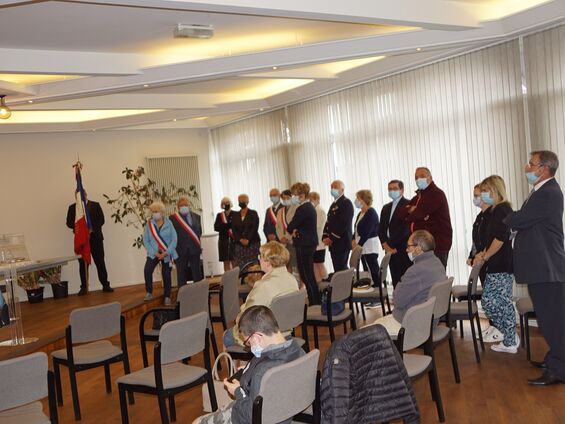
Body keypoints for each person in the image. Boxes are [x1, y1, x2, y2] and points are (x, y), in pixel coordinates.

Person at [505, 150, 565, 385]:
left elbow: (520, 219)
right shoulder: (541, 191)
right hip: (543, 267)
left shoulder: (548, 192)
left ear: (544, 168)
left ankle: (559, 370)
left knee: (553, 321)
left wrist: (509, 218)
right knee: (551, 319)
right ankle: (555, 359)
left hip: (547, 268)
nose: (527, 167)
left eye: (531, 164)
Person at [194, 305, 305, 424]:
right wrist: (248, 369)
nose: (250, 347)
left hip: (250, 416)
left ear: (257, 337)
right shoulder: (299, 351)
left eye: (248, 342)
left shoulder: (263, 372)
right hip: (285, 410)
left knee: (197, 422)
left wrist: (237, 391)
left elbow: (252, 416)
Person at [368, 230, 446, 336]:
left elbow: (398, 300)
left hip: (412, 322)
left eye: (409, 246)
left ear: (418, 249)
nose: (406, 250)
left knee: (369, 332)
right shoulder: (437, 263)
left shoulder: (416, 271)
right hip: (431, 320)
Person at [223, 241, 299, 348]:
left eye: (260, 257)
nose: (259, 259)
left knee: (227, 336)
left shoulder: (264, 285)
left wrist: (237, 320)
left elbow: (246, 318)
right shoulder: (292, 280)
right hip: (285, 332)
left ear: (268, 262)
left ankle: (245, 364)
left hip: (265, 336)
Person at [473, 175, 518, 353]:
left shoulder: (502, 209)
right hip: (495, 263)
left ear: (495, 190)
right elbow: (489, 240)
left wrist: (485, 256)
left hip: (501, 264)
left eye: (486, 191)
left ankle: (510, 338)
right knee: (493, 302)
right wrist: (482, 254)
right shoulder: (493, 211)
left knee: (493, 302)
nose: (483, 194)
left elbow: (500, 239)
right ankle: (509, 337)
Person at [396, 167, 453, 268]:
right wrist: (411, 209)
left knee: (435, 278)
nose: (418, 179)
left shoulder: (436, 194)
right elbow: (400, 213)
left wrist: (413, 212)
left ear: (430, 178)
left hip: (436, 245)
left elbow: (418, 214)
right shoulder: (419, 196)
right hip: (422, 246)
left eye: (421, 176)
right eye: (416, 177)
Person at [66, 191, 113, 295]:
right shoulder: (72, 208)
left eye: (82, 195)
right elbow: (69, 223)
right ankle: (84, 287)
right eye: (78, 196)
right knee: (83, 264)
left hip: (96, 239)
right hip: (82, 240)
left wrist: (91, 229)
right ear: (75, 197)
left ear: (86, 195)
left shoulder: (95, 205)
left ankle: (105, 285)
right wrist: (81, 229)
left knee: (100, 262)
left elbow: (101, 220)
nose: (81, 197)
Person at [287, 182, 320, 305]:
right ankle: (315, 301)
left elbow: (291, 226)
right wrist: (295, 229)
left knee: (306, 275)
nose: (292, 197)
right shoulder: (309, 207)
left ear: (301, 195)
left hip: (304, 244)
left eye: (294, 195)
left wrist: (294, 229)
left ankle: (314, 303)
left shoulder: (303, 208)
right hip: (308, 243)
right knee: (309, 275)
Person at [142, 201, 178, 306]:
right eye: (152, 212)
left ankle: (167, 296)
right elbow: (146, 241)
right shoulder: (149, 224)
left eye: (156, 211)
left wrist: (167, 252)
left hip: (167, 254)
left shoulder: (169, 223)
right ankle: (149, 292)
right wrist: (154, 252)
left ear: (162, 212)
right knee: (147, 270)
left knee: (166, 274)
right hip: (154, 253)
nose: (154, 214)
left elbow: (174, 240)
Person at [378, 180, 411, 288]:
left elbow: (405, 229)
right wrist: (385, 245)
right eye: (390, 189)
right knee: (395, 279)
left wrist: (391, 245)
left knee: (405, 280)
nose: (392, 191)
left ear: (402, 190)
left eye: (395, 188)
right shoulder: (385, 208)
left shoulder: (408, 205)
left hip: (401, 248)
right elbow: (381, 229)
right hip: (389, 250)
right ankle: (398, 303)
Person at [352, 190, 380, 296]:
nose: (356, 201)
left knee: (373, 270)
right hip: (361, 246)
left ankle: (377, 294)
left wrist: (358, 245)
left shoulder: (371, 212)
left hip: (369, 246)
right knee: (366, 271)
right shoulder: (360, 213)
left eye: (358, 199)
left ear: (363, 200)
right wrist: (353, 240)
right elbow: (356, 229)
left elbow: (367, 232)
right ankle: (369, 294)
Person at [322, 180, 354, 272]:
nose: (332, 189)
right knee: (337, 269)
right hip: (334, 244)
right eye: (331, 187)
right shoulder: (334, 204)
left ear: (342, 189)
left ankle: (345, 286)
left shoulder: (346, 203)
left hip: (342, 242)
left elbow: (343, 224)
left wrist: (331, 238)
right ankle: (341, 286)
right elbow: (328, 222)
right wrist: (324, 236)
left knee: (341, 269)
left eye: (335, 187)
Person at [170, 196, 202, 285]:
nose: (184, 207)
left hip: (194, 249)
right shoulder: (172, 219)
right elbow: (171, 235)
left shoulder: (197, 217)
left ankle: (199, 295)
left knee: (197, 275)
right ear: (178, 207)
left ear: (189, 205)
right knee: (181, 276)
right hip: (180, 250)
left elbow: (199, 232)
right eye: (181, 205)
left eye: (185, 205)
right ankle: (182, 297)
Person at [232, 194, 261, 268]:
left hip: (253, 242)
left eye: (243, 200)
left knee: (254, 265)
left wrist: (248, 239)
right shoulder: (235, 215)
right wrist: (240, 239)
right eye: (239, 201)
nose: (241, 202)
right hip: (239, 244)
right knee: (241, 266)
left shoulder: (253, 213)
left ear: (247, 201)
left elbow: (254, 227)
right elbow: (234, 229)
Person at [276, 190, 298, 273]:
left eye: (287, 198)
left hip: (293, 241)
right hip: (283, 242)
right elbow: (277, 227)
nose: (285, 200)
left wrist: (287, 237)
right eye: (283, 198)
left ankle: (302, 285)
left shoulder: (297, 208)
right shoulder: (280, 211)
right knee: (286, 264)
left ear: (292, 197)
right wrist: (281, 237)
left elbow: (296, 225)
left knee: (296, 264)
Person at [308, 191, 328, 283]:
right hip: (313, 243)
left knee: (319, 264)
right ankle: (319, 284)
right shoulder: (313, 211)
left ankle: (326, 281)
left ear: (317, 200)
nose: (310, 202)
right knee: (314, 265)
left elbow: (318, 227)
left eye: (312, 200)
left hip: (319, 243)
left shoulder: (320, 211)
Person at [214, 197, 236, 272]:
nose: (226, 204)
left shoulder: (236, 214)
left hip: (234, 241)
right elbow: (216, 227)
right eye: (224, 203)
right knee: (226, 262)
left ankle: (237, 281)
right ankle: (228, 281)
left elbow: (237, 227)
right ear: (222, 205)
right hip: (223, 242)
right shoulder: (219, 215)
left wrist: (224, 226)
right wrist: (228, 225)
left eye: (228, 202)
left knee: (234, 262)